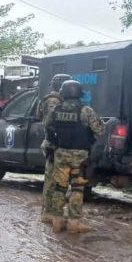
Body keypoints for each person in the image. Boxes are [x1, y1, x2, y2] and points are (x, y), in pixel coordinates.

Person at [44, 80, 105, 234]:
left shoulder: (55, 110)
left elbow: (47, 127)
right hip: (80, 157)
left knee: (59, 187)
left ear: (63, 93)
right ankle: (73, 223)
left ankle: (57, 221)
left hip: (61, 155)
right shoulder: (86, 111)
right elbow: (101, 131)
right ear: (79, 94)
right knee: (77, 188)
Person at [37, 73, 70, 224]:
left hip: (55, 143)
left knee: (55, 179)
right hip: (53, 144)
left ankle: (50, 211)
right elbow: (49, 123)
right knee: (52, 180)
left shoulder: (54, 99)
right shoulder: (53, 100)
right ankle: (48, 212)